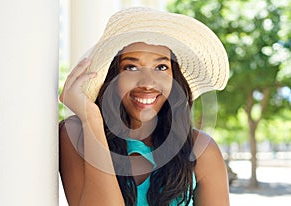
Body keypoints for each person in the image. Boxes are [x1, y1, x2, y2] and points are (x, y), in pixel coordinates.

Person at [59, 7, 230, 206]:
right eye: (131, 67)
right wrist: (92, 121)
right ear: (111, 75)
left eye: (161, 67)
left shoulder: (202, 150)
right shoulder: (76, 133)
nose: (148, 83)